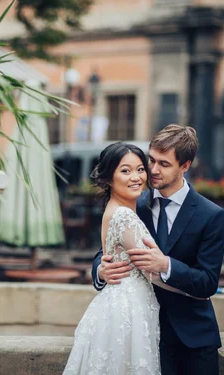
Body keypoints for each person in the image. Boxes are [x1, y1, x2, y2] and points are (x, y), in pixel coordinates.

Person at [92, 125, 224, 375]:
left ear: (185, 165)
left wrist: (166, 266)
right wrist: (101, 271)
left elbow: (208, 282)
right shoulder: (134, 203)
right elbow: (107, 249)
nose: (152, 170)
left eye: (164, 164)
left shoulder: (212, 216)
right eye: (151, 160)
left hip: (192, 339)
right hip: (142, 333)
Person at [63, 142, 204, 375]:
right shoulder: (124, 215)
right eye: (125, 171)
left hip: (134, 308)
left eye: (140, 169)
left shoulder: (126, 207)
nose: (136, 177)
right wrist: (195, 291)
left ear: (185, 166)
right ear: (109, 178)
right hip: (127, 311)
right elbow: (152, 271)